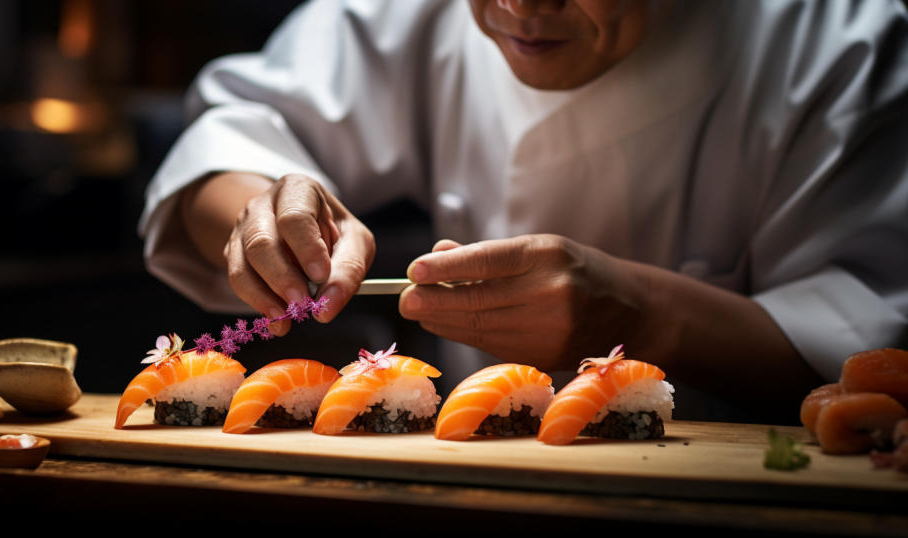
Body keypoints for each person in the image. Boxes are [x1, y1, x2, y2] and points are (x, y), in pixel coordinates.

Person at [140, 0, 908, 412]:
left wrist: (647, 318)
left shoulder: (842, 45)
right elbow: (230, 140)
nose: (519, 5)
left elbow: (862, 344)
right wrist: (268, 208)